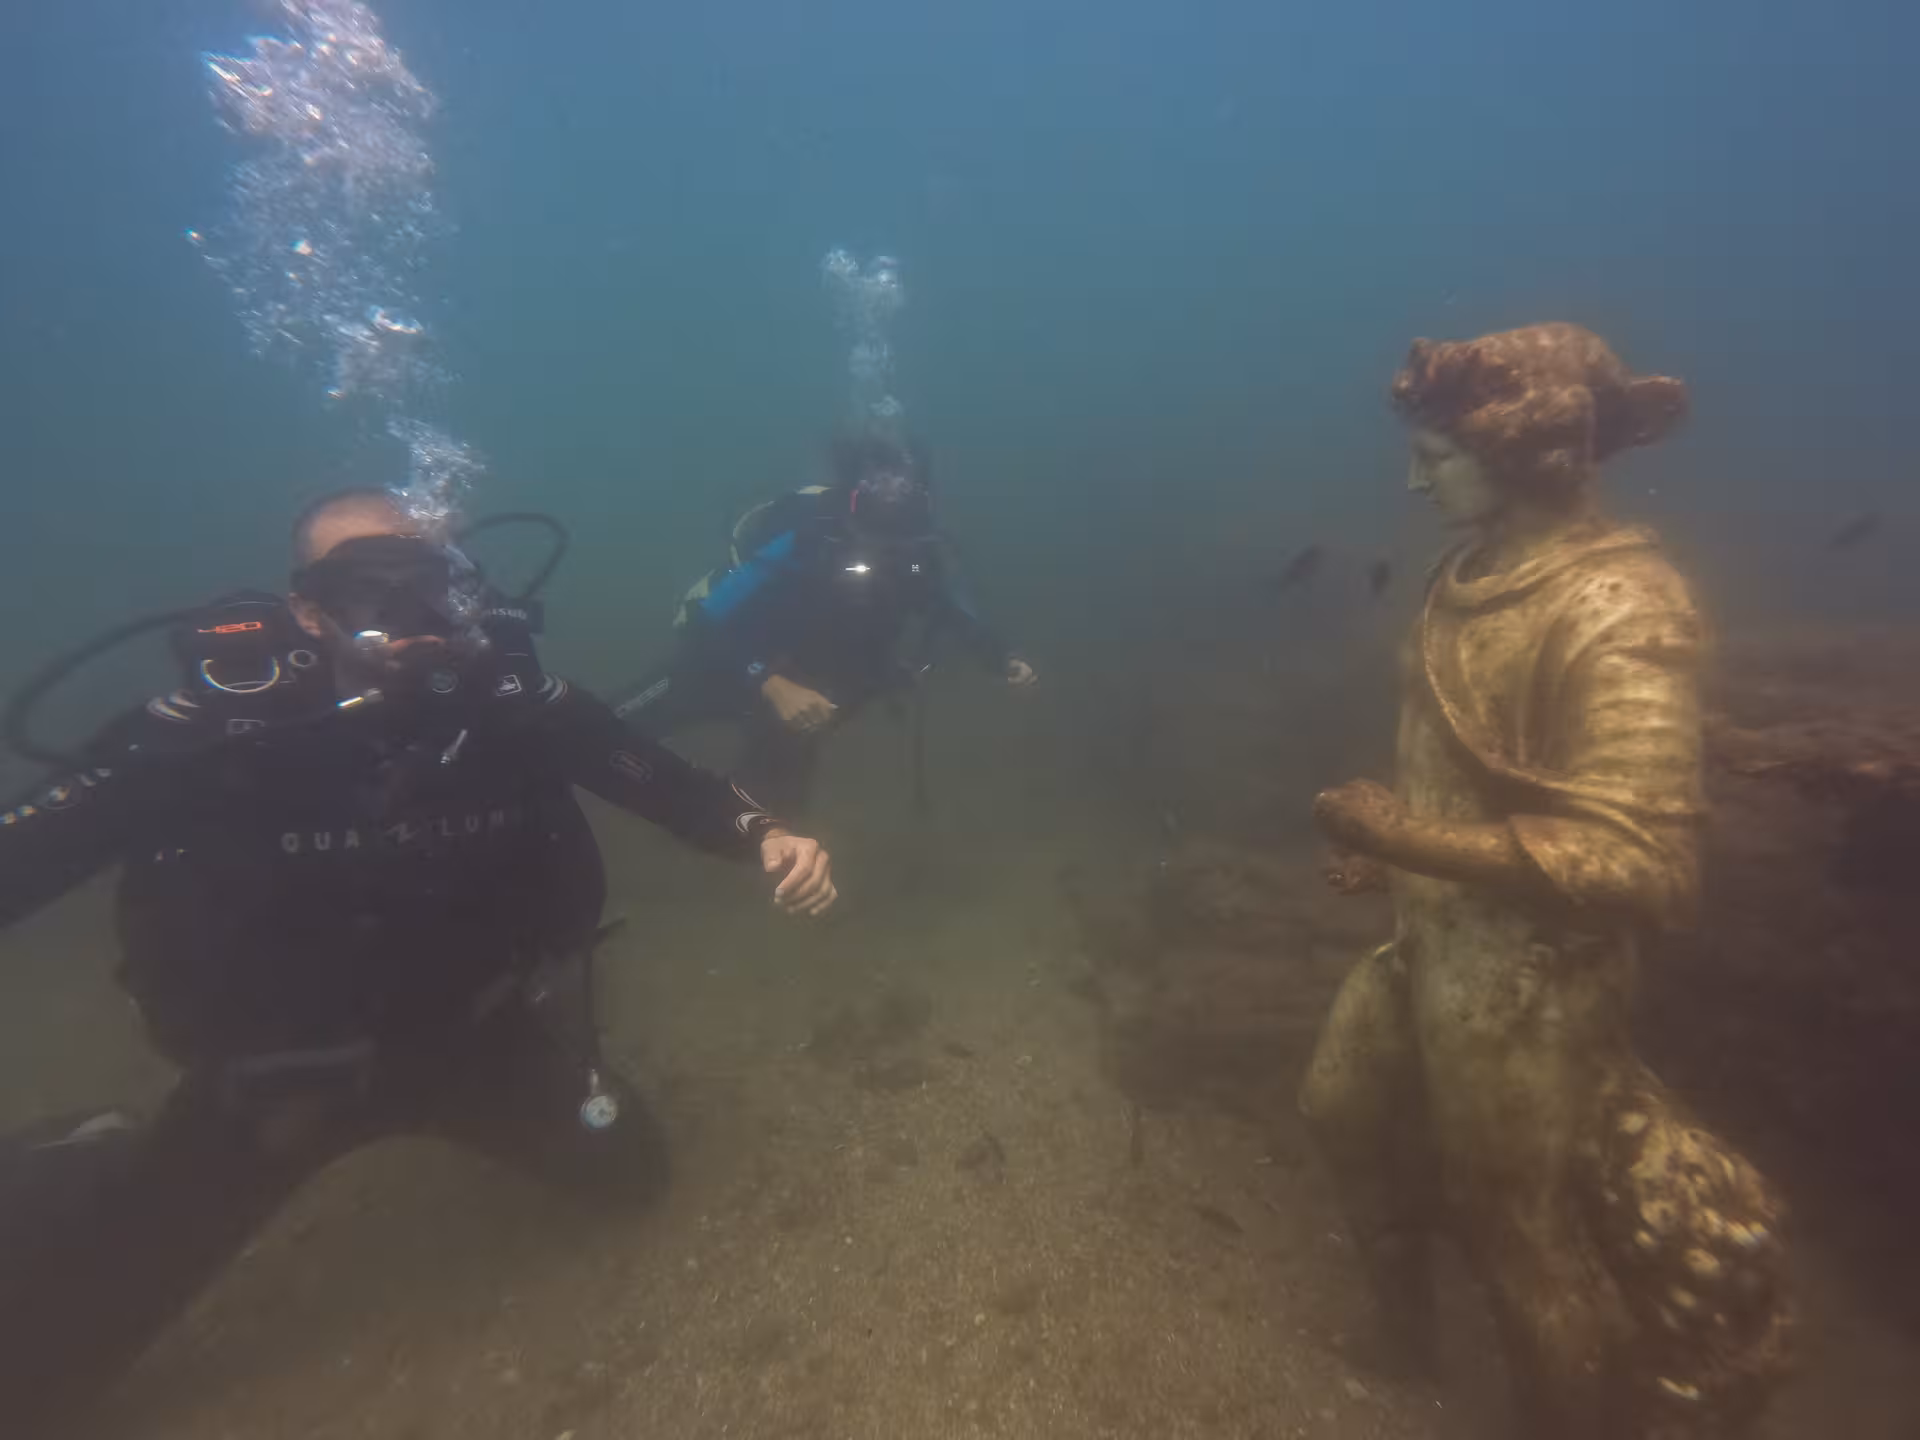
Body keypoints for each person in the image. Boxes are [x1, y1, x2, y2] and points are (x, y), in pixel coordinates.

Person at [0, 489, 837, 1430]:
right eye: (365, 585)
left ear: (461, 587)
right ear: (305, 609)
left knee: (630, 1177)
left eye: (426, 578)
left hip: (473, 1044)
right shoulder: (206, 731)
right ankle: (91, 1152)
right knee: (43, 1374)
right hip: (272, 1088)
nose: (404, 609)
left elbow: (656, 777)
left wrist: (762, 834)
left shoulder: (507, 703)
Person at [1298, 326, 1790, 1439]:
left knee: (1518, 1236)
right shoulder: (1465, 572)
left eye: (1437, 451)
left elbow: (1644, 866)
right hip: (1430, 942)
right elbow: (1471, 770)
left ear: (1527, 452)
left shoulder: (1621, 606)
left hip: (1535, 987)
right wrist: (1392, 847)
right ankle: (1404, 1328)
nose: (1413, 476)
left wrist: (1404, 836)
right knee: (1338, 1109)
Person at [615, 435, 1036, 816]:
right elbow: (706, 622)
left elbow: (947, 609)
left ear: (922, 486)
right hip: (724, 667)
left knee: (766, 821)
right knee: (599, 727)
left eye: (904, 481)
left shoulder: (919, 553)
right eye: (879, 479)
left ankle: (714, 850)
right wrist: (771, 682)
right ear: (855, 483)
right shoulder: (811, 534)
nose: (891, 494)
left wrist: (1000, 658)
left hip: (806, 706)